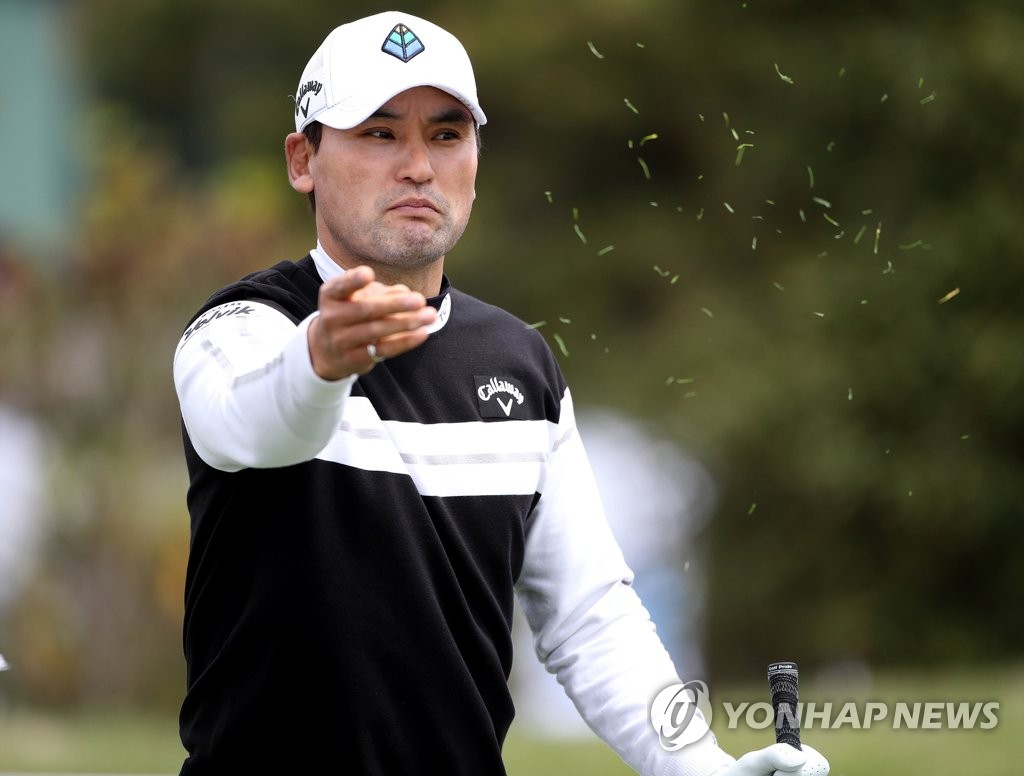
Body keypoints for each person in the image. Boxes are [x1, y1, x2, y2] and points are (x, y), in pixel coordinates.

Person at [172, 11, 830, 776]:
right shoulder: (244, 328)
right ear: (302, 159)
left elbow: (590, 617)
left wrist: (703, 767)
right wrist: (320, 363)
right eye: (380, 133)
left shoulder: (519, 363)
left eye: (447, 134)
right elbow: (252, 425)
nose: (419, 166)